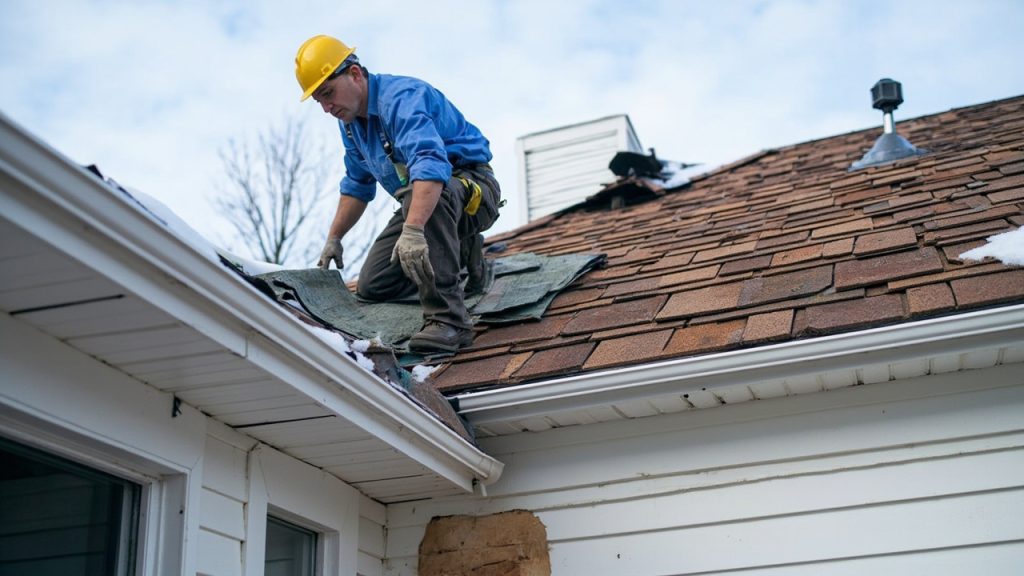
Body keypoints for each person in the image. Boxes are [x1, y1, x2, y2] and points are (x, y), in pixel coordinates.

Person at [295, 35, 501, 353]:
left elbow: (431, 167)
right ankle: (459, 258)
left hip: (471, 191)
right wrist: (334, 238)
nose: (326, 107)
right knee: (374, 284)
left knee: (429, 195)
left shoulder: (402, 99)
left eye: (328, 93)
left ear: (355, 74)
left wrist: (415, 230)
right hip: (422, 200)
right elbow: (357, 185)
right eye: (319, 101)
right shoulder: (351, 125)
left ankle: (451, 322)